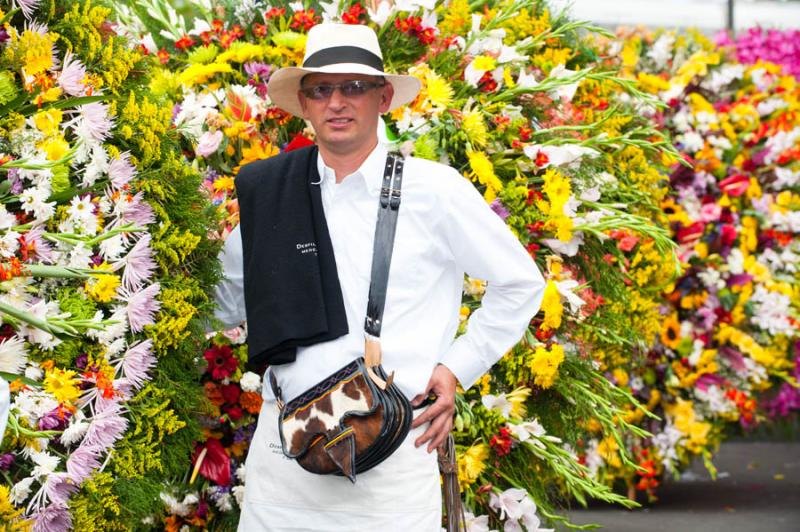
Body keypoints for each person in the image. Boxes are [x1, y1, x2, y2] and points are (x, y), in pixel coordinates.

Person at [213, 23, 546, 532]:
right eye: (321, 89)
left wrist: (458, 367)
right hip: (284, 463)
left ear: (384, 97)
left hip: (393, 462)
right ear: (304, 103)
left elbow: (520, 282)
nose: (337, 102)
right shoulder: (272, 192)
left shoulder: (435, 190)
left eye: (355, 87)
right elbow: (224, 301)